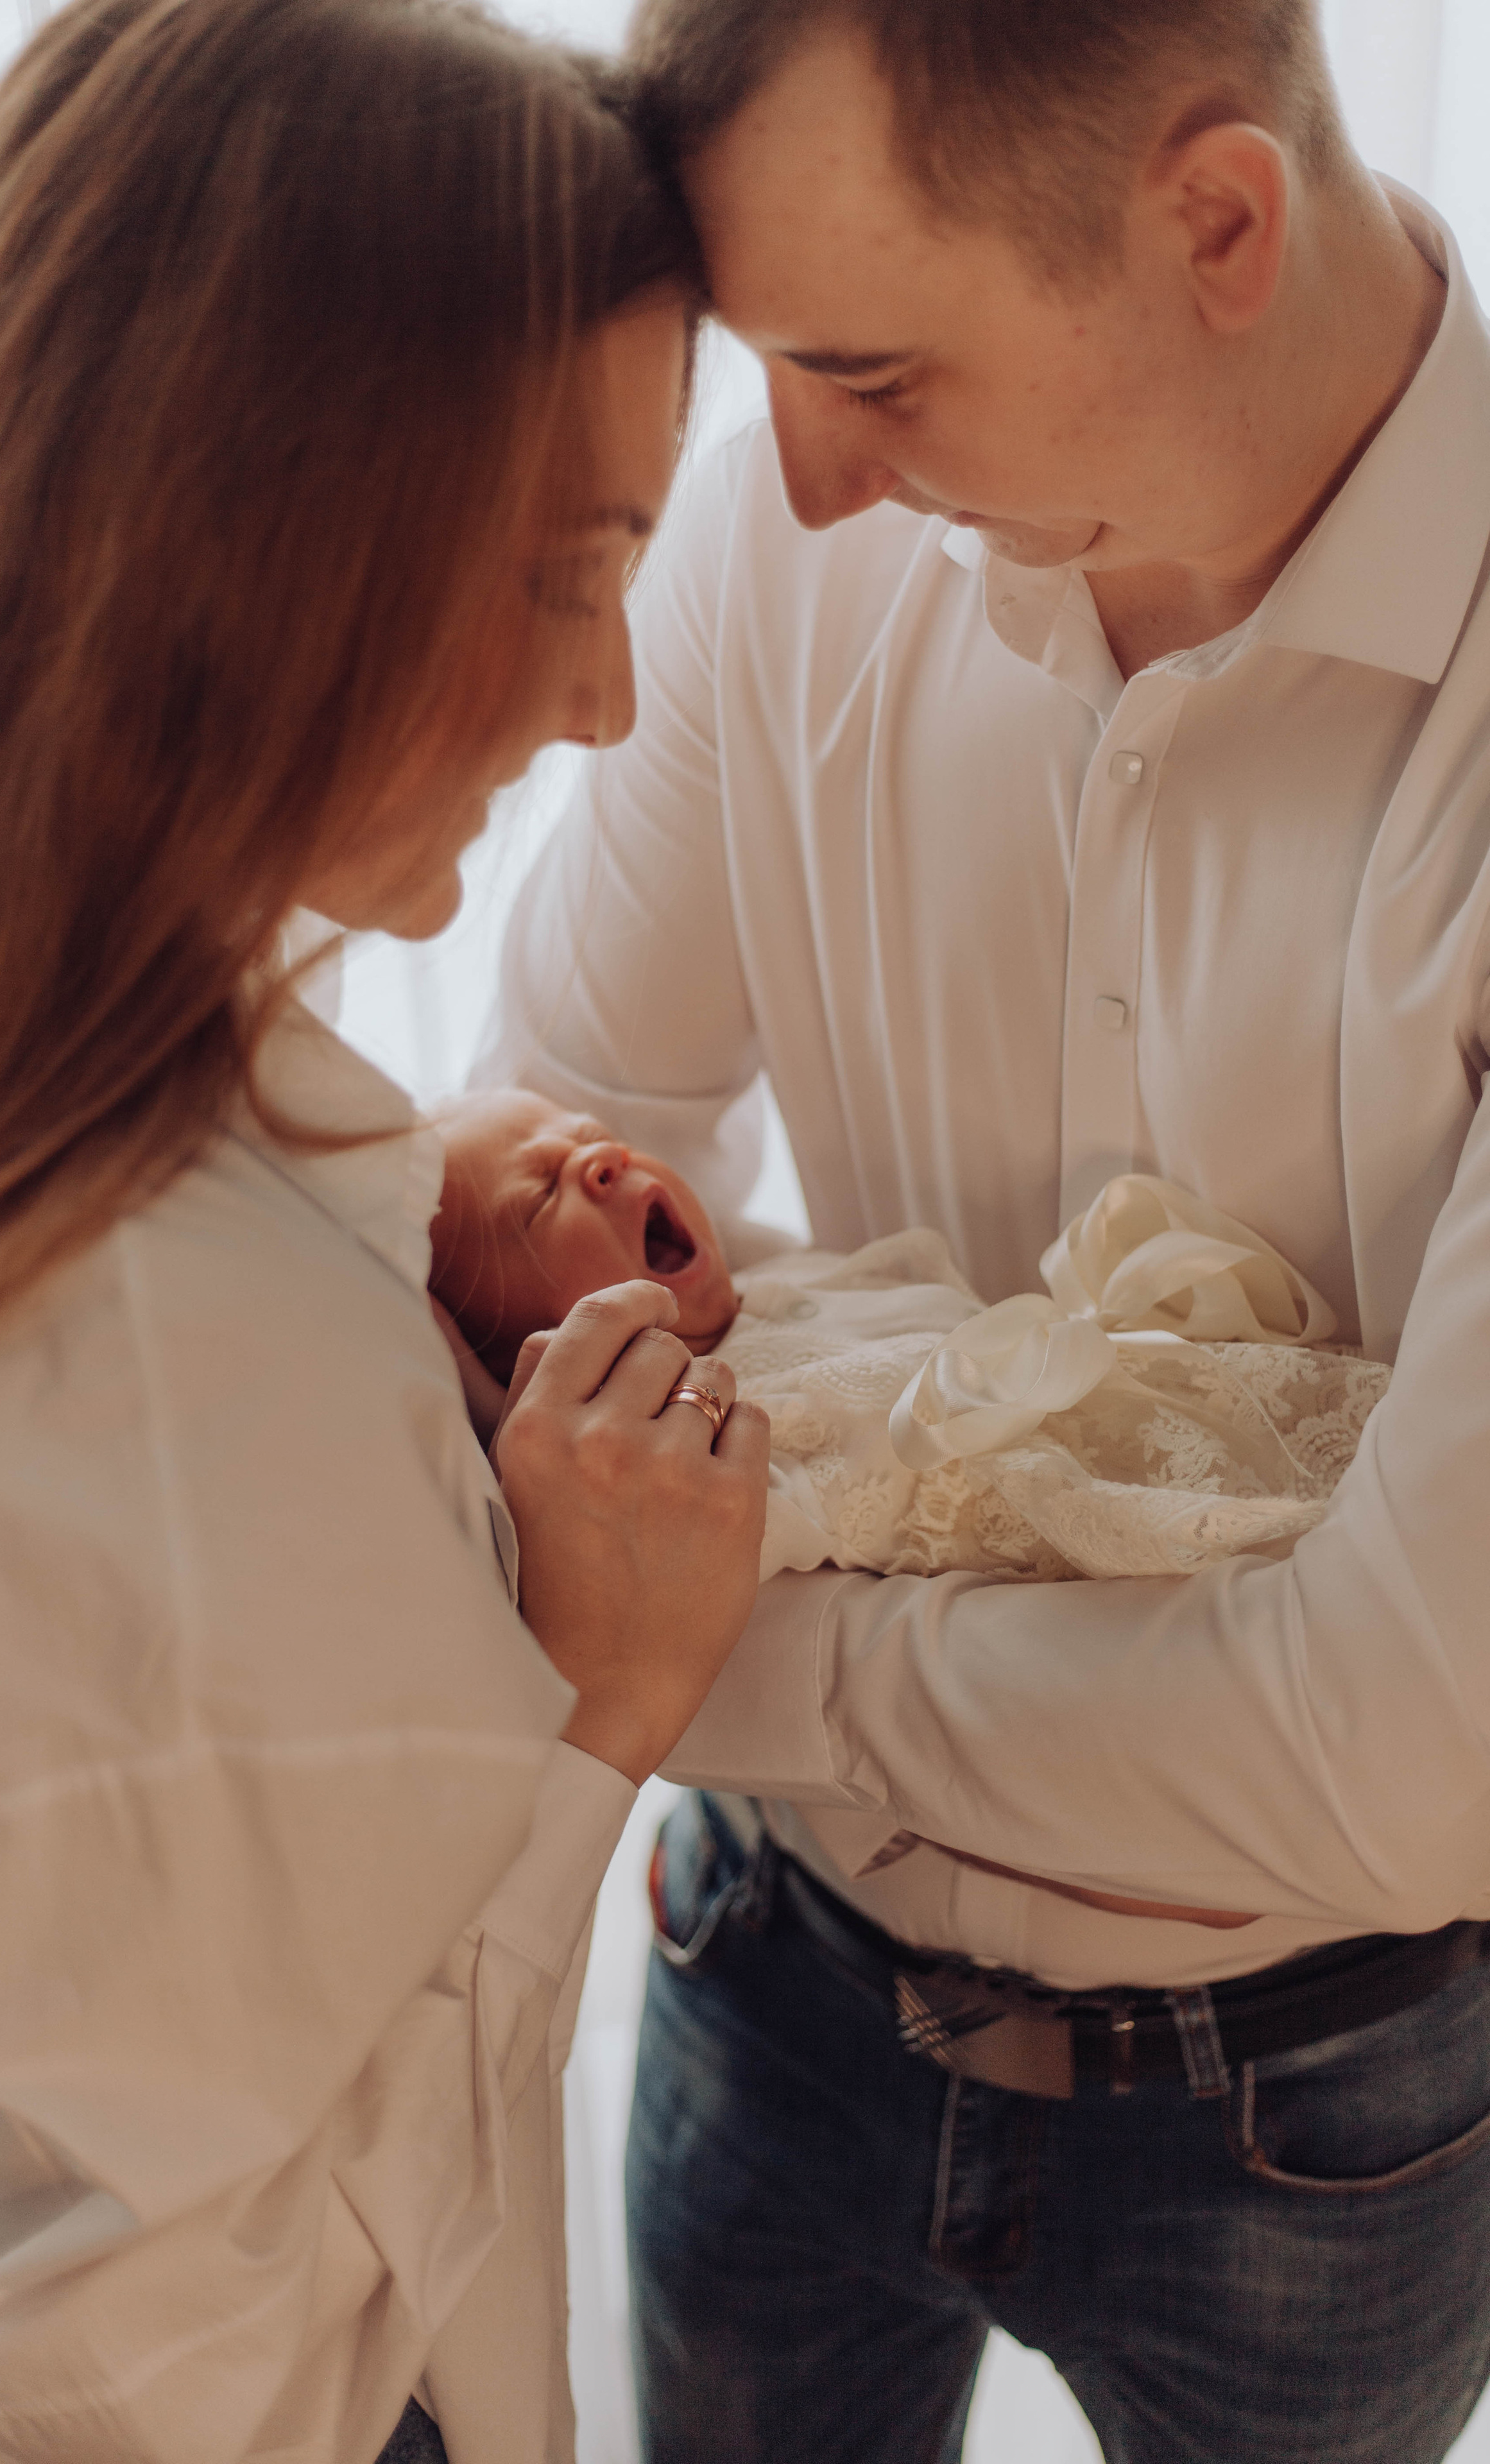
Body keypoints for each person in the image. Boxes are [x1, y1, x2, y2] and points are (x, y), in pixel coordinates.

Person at [477, 0, 1490, 2456]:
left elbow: (1418, 1747)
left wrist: (684, 1670)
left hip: (1337, 2106)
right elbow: (539, 1179)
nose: (798, 484)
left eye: (876, 374)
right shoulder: (774, 546)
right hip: (764, 1964)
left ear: (1217, 225)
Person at [0, 6, 773, 2463]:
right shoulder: (189, 1355)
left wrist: (362, 1184)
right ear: (254, 528)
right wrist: (603, 1709)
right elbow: (156, 2381)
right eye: (572, 573)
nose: (601, 700)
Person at [429, 1088, 1387, 1585]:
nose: (597, 1162)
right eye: (537, 1198)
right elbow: (692, 1563)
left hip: (1142, 1407)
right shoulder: (694, 1446)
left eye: (590, 1135)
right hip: (1093, 1544)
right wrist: (484, 1405)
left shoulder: (787, 1277)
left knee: (1386, 1471)